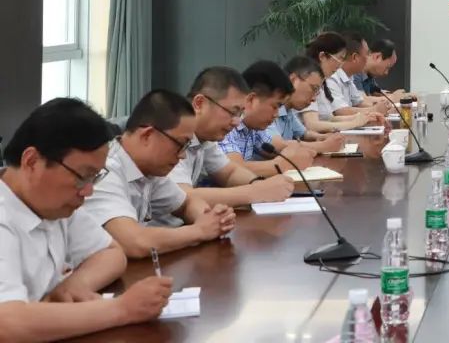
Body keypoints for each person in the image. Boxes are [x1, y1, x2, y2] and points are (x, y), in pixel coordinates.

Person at [0, 98, 173, 342]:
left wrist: (73, 286)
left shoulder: (53, 204)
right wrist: (123, 309)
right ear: (32, 162)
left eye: (94, 177)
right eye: (82, 176)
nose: (88, 191)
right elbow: (7, 323)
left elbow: (111, 253)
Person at [83, 90, 237, 259]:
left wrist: (210, 218)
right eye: (180, 144)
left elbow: (187, 203)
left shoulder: (149, 170)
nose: (183, 155)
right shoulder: (102, 171)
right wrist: (200, 230)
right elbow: (135, 243)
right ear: (147, 135)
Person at [164, 66, 295, 215]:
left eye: (240, 113)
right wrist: (256, 192)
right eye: (232, 112)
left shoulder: (205, 138)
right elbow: (184, 197)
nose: (236, 122)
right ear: (199, 103)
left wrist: (259, 184)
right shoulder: (171, 133)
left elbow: (229, 172)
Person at [220, 61, 322, 177]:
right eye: (275, 106)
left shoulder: (253, 127)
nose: (276, 115)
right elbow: (234, 169)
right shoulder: (227, 124)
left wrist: (295, 152)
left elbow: (277, 148)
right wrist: (282, 164)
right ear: (251, 100)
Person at [300, 32, 386, 134]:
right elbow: (312, 125)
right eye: (340, 58)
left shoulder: (322, 83)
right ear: (322, 56)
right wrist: (353, 123)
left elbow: (330, 118)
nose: (341, 65)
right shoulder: (307, 82)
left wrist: (365, 117)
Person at [268, 56, 348, 154]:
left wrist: (323, 137)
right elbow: (277, 146)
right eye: (314, 89)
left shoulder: (288, 110)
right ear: (293, 80)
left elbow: (303, 134)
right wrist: (324, 146)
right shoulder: (269, 106)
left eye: (317, 93)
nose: (314, 99)